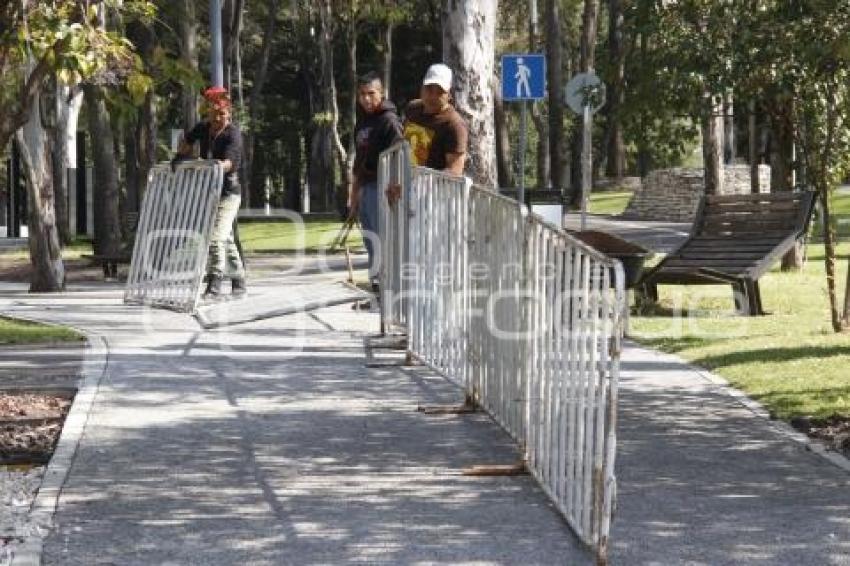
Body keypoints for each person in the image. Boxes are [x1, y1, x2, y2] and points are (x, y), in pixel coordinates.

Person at [172, 87, 246, 299]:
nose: (218, 119)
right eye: (214, 115)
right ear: (208, 114)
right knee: (227, 239)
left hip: (228, 193)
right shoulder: (203, 128)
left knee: (215, 239)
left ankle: (214, 284)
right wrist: (180, 155)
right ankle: (239, 283)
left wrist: (214, 166)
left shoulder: (233, 134)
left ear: (228, 113)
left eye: (222, 114)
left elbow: (230, 163)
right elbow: (187, 140)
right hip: (209, 192)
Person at [350, 71, 403, 299]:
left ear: (381, 93)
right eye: (362, 94)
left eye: (371, 94)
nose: (366, 99)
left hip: (383, 187)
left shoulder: (389, 120)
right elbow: (358, 162)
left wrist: (394, 185)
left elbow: (400, 155)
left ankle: (390, 288)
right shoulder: (361, 122)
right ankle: (377, 286)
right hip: (365, 187)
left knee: (383, 240)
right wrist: (353, 196)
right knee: (370, 239)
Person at [402, 63, 469, 176]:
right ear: (421, 88)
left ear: (449, 94)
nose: (433, 96)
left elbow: (454, 171)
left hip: (434, 191)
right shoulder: (412, 108)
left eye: (440, 92)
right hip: (403, 184)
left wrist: (420, 183)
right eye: (429, 89)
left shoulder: (454, 124)